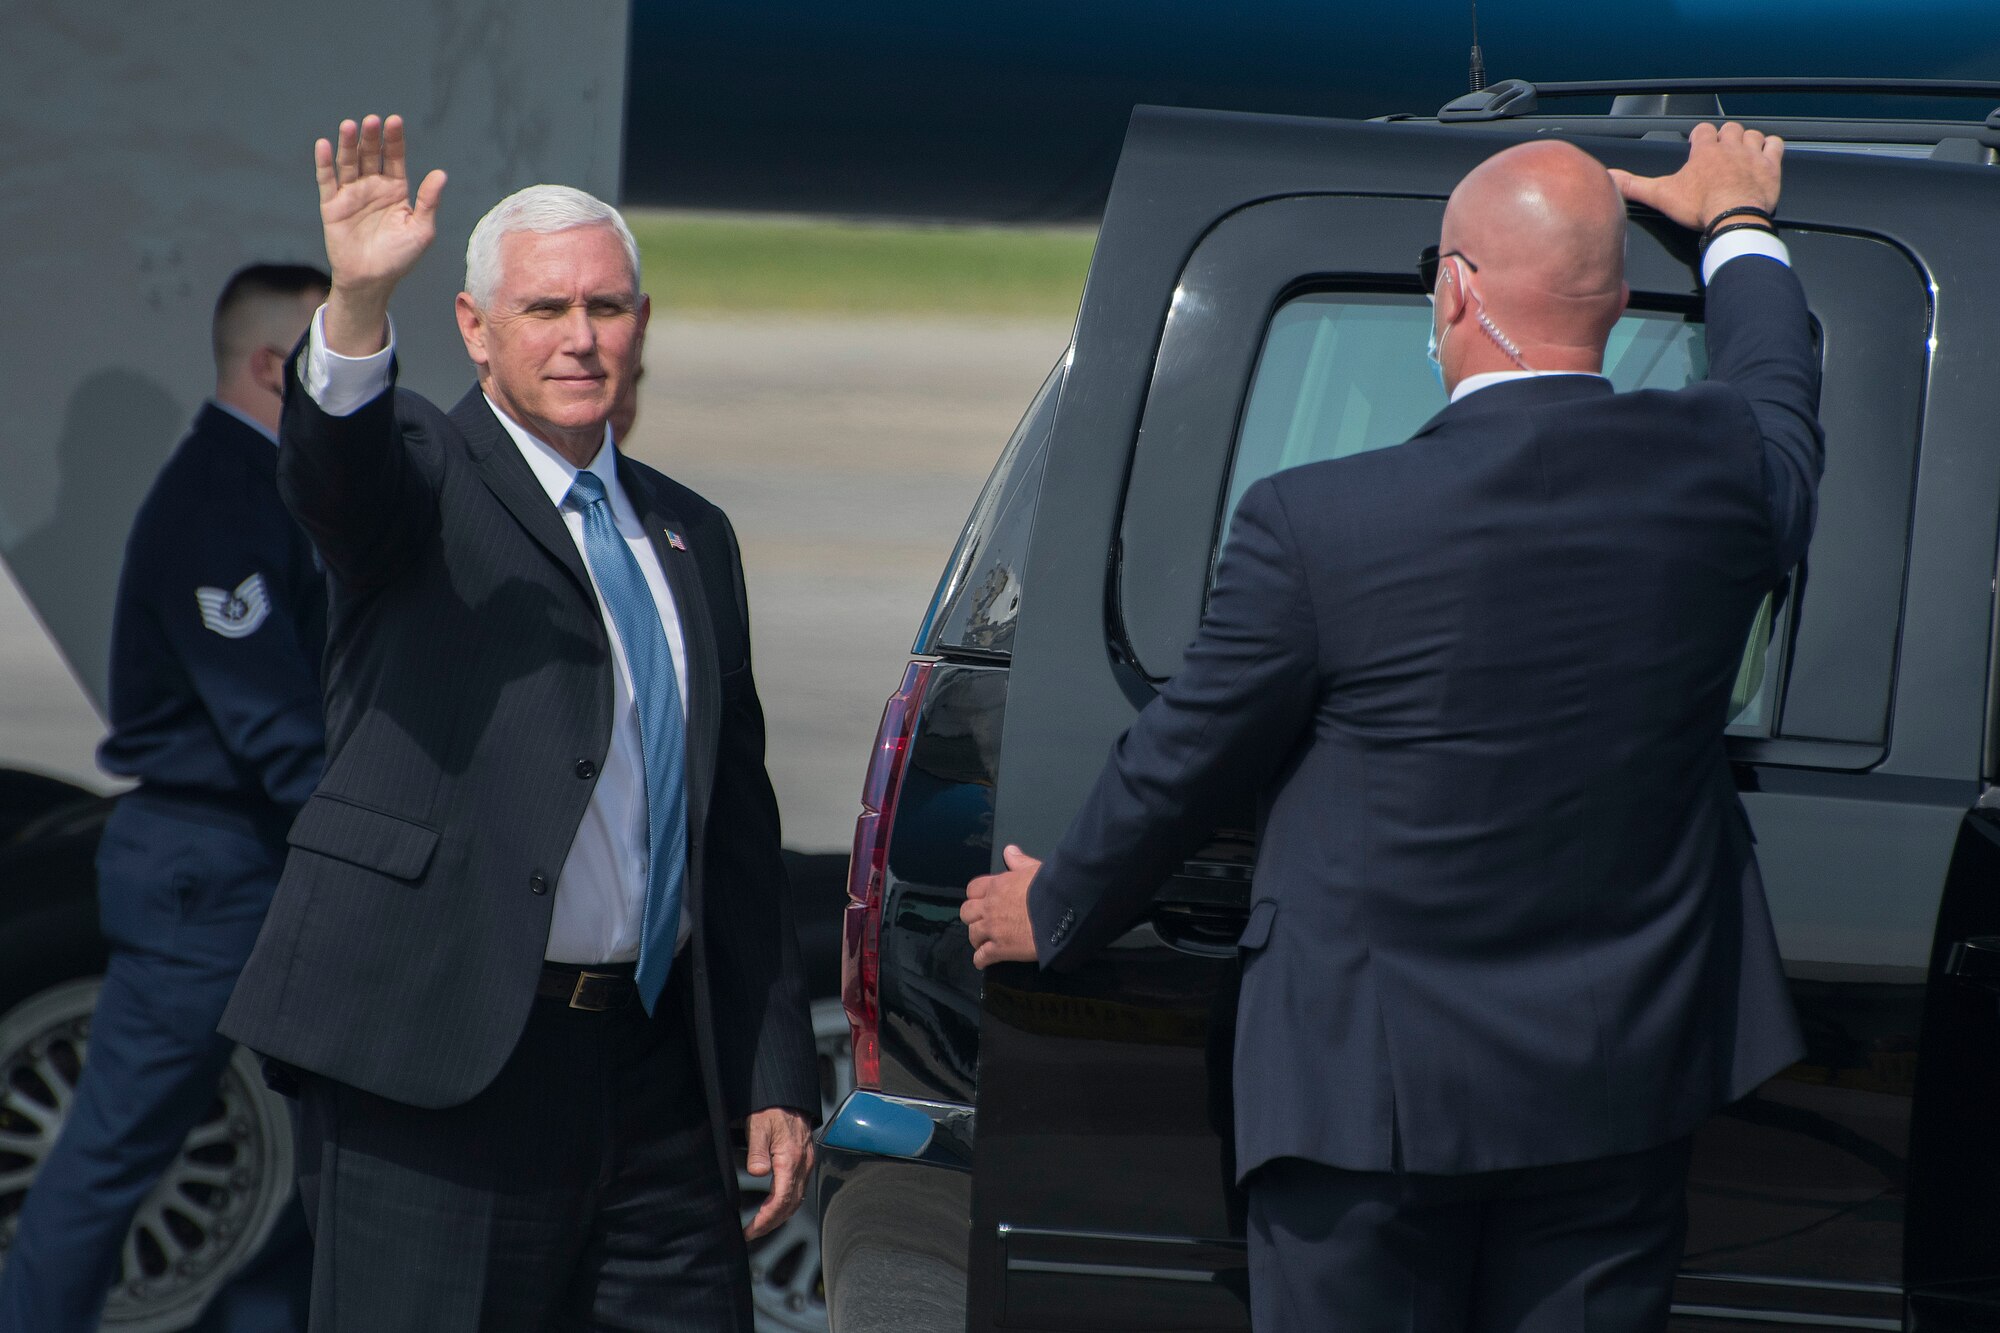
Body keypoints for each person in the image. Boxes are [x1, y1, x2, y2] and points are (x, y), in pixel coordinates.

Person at [962, 123, 1821, 1331]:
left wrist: (1054, 904)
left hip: (1368, 1106)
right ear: (1618, 300)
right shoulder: (1725, 468)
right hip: (1616, 1090)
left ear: (1458, 290)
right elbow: (1779, 389)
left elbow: (1187, 753)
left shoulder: (1318, 523)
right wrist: (1738, 222)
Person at [218, 115, 817, 1331]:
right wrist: (356, 305)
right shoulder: (426, 475)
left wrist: (771, 1074)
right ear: (476, 330)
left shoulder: (691, 537)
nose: (582, 337)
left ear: (641, 323)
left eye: (607, 306)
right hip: (445, 1064)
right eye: (546, 310)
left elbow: (733, 830)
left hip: (652, 1074)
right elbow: (334, 478)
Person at [0, 263, 330, 1333]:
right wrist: (374, 832)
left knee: (343, 1136)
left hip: (248, 857)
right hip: (210, 863)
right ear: (275, 365)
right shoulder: (215, 504)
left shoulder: (266, 489)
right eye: (347, 349)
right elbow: (270, 720)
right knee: (116, 1149)